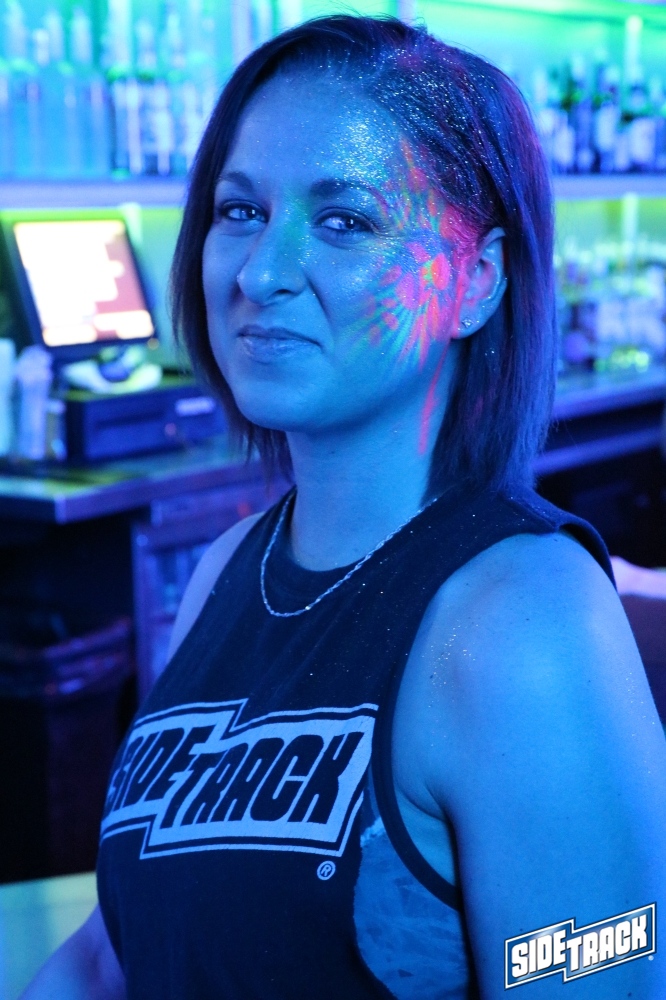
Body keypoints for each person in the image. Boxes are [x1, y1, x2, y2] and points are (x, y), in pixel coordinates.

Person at [23, 15, 666, 1000]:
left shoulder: (524, 620)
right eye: (240, 210)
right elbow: (121, 948)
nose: (259, 271)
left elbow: (601, 971)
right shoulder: (229, 569)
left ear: (476, 281)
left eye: (345, 221)